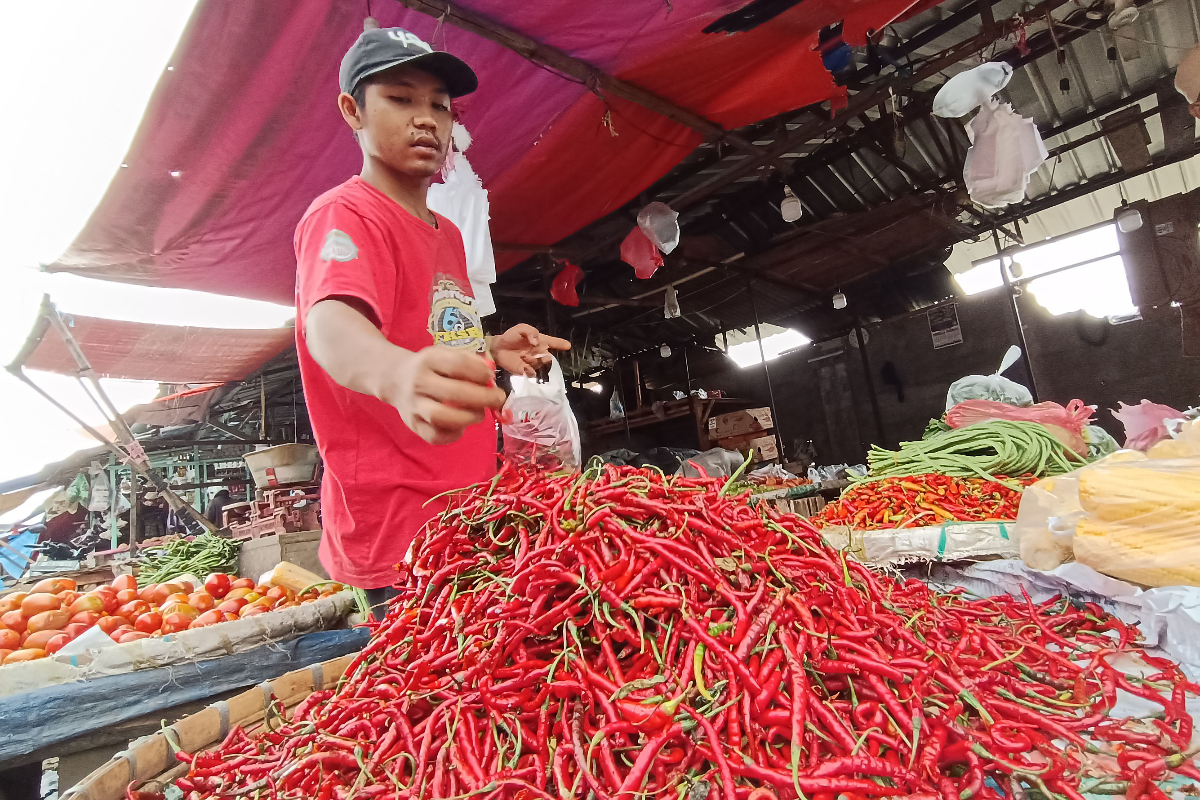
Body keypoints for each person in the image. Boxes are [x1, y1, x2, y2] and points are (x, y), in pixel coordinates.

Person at [295, 27, 569, 619]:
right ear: (353, 112)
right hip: (401, 535)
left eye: (440, 106)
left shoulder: (447, 234)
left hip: (471, 512)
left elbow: (441, 333)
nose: (427, 120)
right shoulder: (345, 215)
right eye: (400, 98)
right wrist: (395, 375)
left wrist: (492, 348)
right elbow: (331, 322)